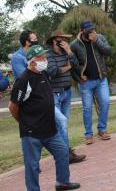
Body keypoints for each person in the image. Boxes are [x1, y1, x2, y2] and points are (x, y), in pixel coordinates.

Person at [8, 45, 80, 191]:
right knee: (32, 165)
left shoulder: (44, 74)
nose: (45, 60)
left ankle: (62, 183)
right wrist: (24, 123)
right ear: (33, 62)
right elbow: (13, 107)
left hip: (50, 129)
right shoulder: (23, 80)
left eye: (45, 57)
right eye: (42, 58)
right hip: (32, 133)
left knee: (62, 153)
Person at [46, 30, 86, 164]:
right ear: (54, 40)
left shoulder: (66, 52)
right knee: (61, 122)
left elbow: (75, 65)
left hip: (66, 92)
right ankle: (66, 154)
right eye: (60, 38)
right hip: (54, 94)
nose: (63, 40)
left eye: (64, 38)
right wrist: (67, 67)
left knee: (62, 124)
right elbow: (52, 71)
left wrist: (69, 51)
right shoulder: (48, 55)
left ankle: (64, 153)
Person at [70, 20, 112, 145]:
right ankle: (88, 134)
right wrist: (79, 78)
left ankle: (102, 130)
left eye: (92, 29)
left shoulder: (99, 38)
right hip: (85, 83)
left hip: (101, 79)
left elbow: (109, 51)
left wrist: (96, 41)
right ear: (82, 30)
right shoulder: (75, 45)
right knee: (87, 108)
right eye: (88, 30)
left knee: (105, 102)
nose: (90, 32)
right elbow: (72, 64)